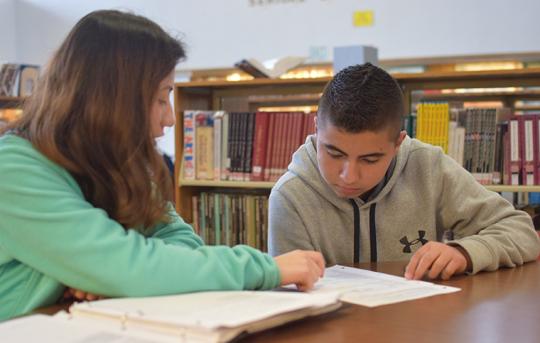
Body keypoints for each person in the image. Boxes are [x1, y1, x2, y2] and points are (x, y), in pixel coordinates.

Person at [0, 10, 324, 321]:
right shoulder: (13, 169)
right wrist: (267, 268)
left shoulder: (121, 163)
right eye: (160, 98)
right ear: (111, 99)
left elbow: (181, 242)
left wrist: (110, 274)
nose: (169, 118)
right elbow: (127, 266)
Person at [268, 63, 540, 281]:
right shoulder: (290, 196)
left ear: (398, 143)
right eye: (334, 153)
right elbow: (290, 295)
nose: (349, 176)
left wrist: (464, 253)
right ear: (316, 128)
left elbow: (522, 232)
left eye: (370, 159)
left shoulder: (428, 166)